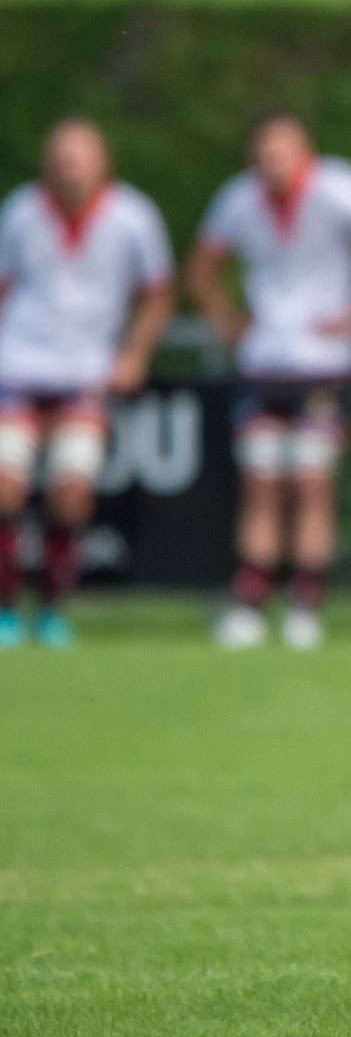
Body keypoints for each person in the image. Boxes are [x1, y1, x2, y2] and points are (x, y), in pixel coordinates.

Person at [189, 114, 351, 650]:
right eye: (263, 157)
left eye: (281, 155)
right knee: (262, 482)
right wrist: (226, 319)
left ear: (305, 153)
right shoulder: (238, 199)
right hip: (264, 363)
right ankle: (250, 601)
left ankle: (305, 603)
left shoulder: (341, 188)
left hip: (325, 364)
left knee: (312, 481)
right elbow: (202, 266)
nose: (271, 167)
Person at [0, 119, 174, 648]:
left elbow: (158, 293)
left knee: (71, 491)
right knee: (5, 486)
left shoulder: (133, 216)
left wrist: (134, 355)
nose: (71, 168)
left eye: (81, 157)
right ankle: (6, 607)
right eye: (62, 157)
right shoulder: (20, 211)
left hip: (85, 375)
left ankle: (52, 607)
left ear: (103, 163)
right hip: (18, 367)